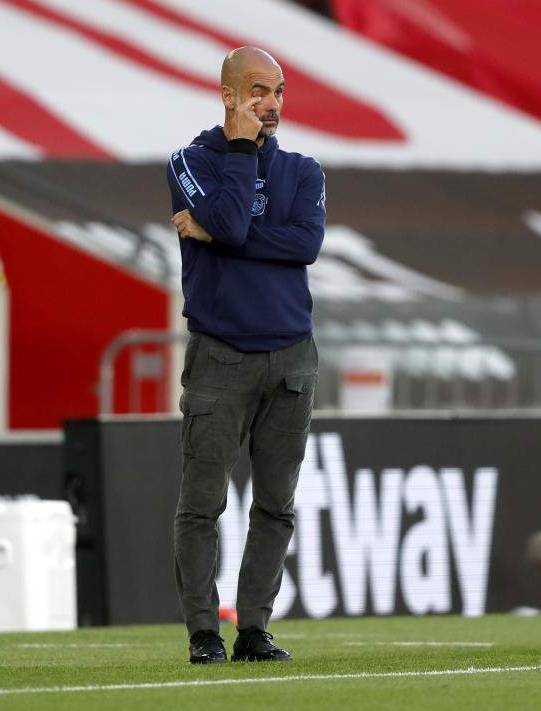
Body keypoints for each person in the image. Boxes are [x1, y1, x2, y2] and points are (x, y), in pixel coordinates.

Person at [167, 46, 326, 664]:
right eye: (259, 91)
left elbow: (305, 243)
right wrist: (238, 153)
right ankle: (205, 633)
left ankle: (254, 629)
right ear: (229, 95)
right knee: (202, 504)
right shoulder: (189, 161)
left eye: (281, 92)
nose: (273, 105)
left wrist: (221, 234)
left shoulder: (304, 170)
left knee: (275, 505)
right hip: (220, 357)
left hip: (292, 357)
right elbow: (235, 225)